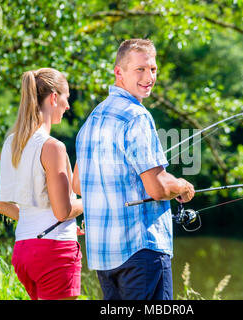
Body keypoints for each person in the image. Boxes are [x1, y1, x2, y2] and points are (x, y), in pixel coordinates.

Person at [73, 39, 195, 300]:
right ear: (119, 72)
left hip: (105, 258)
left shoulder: (92, 120)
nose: (149, 77)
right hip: (141, 252)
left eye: (153, 69)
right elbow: (159, 188)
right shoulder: (137, 116)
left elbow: (77, 185)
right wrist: (182, 186)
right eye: (140, 69)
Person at [0, 68, 84, 300]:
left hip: (24, 251)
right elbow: (62, 211)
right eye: (66, 98)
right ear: (54, 98)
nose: (68, 106)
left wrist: (43, 223)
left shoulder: (11, 144)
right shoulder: (53, 147)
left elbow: (0, 204)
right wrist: (91, 201)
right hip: (55, 252)